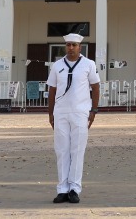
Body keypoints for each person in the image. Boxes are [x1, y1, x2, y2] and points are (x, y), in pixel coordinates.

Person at [46, 32, 100, 204]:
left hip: (80, 112)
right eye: (68, 45)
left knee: (77, 150)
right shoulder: (57, 65)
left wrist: (94, 110)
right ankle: (62, 189)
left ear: (80, 47)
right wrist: (50, 113)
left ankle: (74, 188)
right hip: (61, 112)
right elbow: (52, 89)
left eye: (74, 45)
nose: (71, 48)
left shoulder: (88, 64)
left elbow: (95, 87)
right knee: (62, 150)